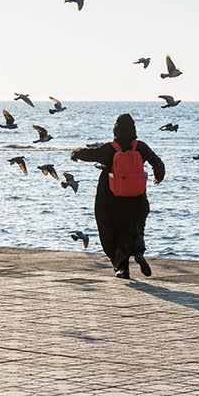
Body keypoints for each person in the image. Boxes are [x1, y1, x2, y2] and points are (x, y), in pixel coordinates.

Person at [70, 113, 165, 279]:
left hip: (112, 198)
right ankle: (138, 252)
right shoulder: (140, 147)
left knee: (112, 230)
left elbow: (91, 154)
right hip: (137, 197)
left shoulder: (110, 148)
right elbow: (157, 162)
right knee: (134, 228)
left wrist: (76, 153)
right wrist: (159, 174)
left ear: (116, 129)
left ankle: (122, 268)